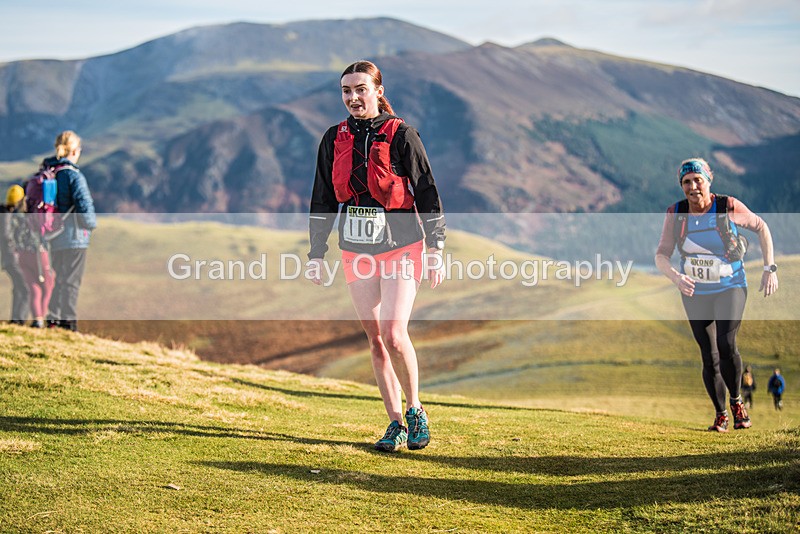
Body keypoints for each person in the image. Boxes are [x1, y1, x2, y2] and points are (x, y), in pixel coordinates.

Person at [308, 60, 446, 452]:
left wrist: (435, 248)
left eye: (360, 89)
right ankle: (395, 423)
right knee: (375, 340)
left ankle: (416, 409)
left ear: (378, 91)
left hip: (403, 246)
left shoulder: (403, 135)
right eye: (346, 91)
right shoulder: (332, 139)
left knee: (393, 333)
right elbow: (321, 198)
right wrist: (316, 253)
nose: (353, 97)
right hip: (355, 251)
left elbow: (427, 192)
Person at [656, 157, 778, 432]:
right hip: (694, 291)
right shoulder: (676, 214)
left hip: (730, 286)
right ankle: (720, 413)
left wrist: (770, 268)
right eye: (686, 182)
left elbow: (761, 227)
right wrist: (676, 278)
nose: (692, 186)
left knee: (726, 343)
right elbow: (661, 255)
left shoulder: (726, 206)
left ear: (709, 181)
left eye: (698, 180)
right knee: (708, 354)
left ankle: (737, 402)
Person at [44, 131, 96, 332]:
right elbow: (84, 204)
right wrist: (90, 225)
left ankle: (53, 318)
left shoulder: (50, 172)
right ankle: (69, 323)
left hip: (53, 235)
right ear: (74, 151)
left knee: (57, 277)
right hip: (74, 236)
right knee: (71, 280)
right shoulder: (73, 175)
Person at [10, 187, 56, 329]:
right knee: (48, 285)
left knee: (33, 287)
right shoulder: (36, 212)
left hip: (21, 254)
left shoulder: (15, 215)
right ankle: (42, 316)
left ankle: (37, 319)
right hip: (38, 252)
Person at [1, 185, 30, 324]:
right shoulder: (7, 215)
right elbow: (6, 236)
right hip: (11, 257)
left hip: (8, 257)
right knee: (25, 288)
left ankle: (16, 319)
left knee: (19, 287)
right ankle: (19, 320)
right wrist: (14, 250)